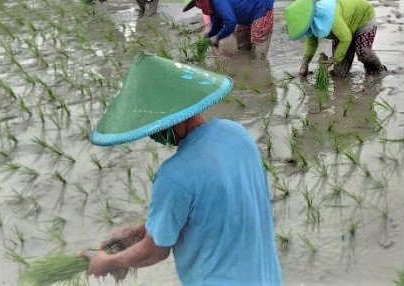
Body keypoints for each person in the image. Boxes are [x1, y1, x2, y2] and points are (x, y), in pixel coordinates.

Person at [84, 53, 282, 285]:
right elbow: (213, 209)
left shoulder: (173, 176)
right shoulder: (237, 134)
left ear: (174, 117)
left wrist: (108, 262)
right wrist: (140, 232)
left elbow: (154, 251)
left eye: (154, 124)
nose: (154, 134)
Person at [285, 0, 386, 78]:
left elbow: (346, 39)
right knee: (339, 74)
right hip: (344, 30)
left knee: (363, 53)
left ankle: (380, 70)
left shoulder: (330, 17)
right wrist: (305, 64)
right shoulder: (310, 22)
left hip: (363, 17)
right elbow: (311, 44)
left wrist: (333, 59)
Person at [182, 0, 275, 57]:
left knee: (258, 39)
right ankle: (245, 64)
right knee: (242, 40)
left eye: (196, 2)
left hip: (261, 4)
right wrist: (207, 37)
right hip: (246, 12)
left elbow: (231, 22)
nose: (197, 6)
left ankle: (260, 65)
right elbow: (216, 26)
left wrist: (217, 38)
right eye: (195, 5)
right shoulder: (211, 6)